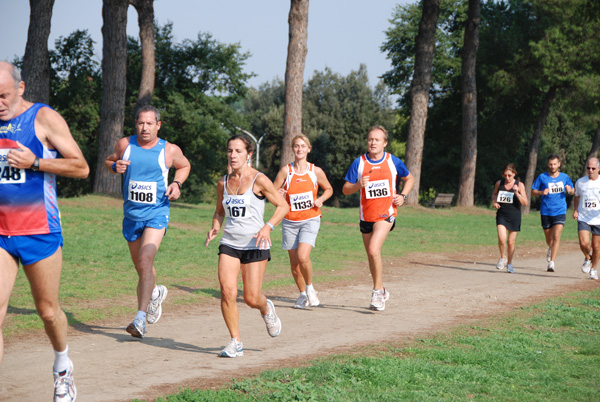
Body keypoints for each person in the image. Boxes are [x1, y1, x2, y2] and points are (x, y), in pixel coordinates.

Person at [0, 61, 89, 401]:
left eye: (4, 95)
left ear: (20, 89)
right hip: (1, 234)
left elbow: (81, 167)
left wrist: (35, 162)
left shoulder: (43, 118)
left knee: (48, 311)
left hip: (39, 231)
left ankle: (63, 366)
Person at [105, 105, 190, 339]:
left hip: (157, 213)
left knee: (144, 261)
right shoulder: (125, 145)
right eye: (141, 123)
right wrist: (115, 166)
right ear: (136, 124)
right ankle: (154, 293)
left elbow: (184, 166)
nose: (145, 127)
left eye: (149, 123)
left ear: (158, 125)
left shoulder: (169, 150)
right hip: (131, 216)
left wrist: (177, 184)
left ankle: (139, 320)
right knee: (142, 268)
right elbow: (109, 161)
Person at [206, 134, 289, 358]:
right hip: (230, 243)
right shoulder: (223, 182)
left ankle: (266, 308)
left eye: (238, 151)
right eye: (230, 151)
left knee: (252, 297)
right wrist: (215, 226)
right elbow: (219, 211)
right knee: (227, 291)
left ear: (249, 154)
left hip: (256, 243)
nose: (233, 155)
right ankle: (236, 341)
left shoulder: (259, 180)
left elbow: (282, 206)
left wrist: (268, 227)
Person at [342, 125, 414, 311]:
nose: (373, 142)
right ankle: (381, 289)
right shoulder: (359, 163)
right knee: (371, 256)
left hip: (386, 214)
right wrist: (358, 185)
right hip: (366, 216)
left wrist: (403, 196)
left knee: (374, 249)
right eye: (370, 139)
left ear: (385, 143)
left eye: (377, 139)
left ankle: (376, 293)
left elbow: (410, 179)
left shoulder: (393, 161)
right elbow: (345, 189)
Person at [273, 134, 333, 309]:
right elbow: (272, 191)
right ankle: (302, 295)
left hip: (310, 219)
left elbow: (329, 189)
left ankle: (310, 288)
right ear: (293, 149)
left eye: (303, 146)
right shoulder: (286, 171)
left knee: (303, 256)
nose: (299, 149)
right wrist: (279, 195)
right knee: (294, 263)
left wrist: (321, 199)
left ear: (309, 149)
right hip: (290, 221)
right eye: (296, 146)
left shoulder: (315, 171)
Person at [531, 154, 574, 272]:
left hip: (560, 210)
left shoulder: (565, 177)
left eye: (555, 164)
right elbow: (533, 191)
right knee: (549, 238)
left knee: (556, 236)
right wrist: (541, 192)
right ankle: (550, 247)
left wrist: (570, 191)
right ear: (547, 164)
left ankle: (552, 262)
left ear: (559, 164)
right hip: (546, 211)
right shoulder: (542, 177)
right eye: (550, 164)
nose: (552, 166)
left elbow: (572, 188)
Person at [492, 163, 528, 274]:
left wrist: (517, 193)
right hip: (502, 214)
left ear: (514, 174)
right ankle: (503, 258)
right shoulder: (499, 183)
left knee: (511, 242)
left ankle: (510, 263)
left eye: (509, 175)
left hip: (514, 216)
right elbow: (494, 194)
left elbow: (525, 203)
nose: (507, 178)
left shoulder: (519, 185)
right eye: (505, 175)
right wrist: (494, 202)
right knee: (502, 238)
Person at [573, 157, 600, 280]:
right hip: (584, 217)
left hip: (598, 218)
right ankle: (588, 258)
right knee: (584, 243)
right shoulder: (580, 182)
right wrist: (576, 210)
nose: (590, 170)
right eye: (588, 168)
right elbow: (577, 197)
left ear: (598, 169)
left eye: (593, 168)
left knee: (596, 247)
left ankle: (593, 270)